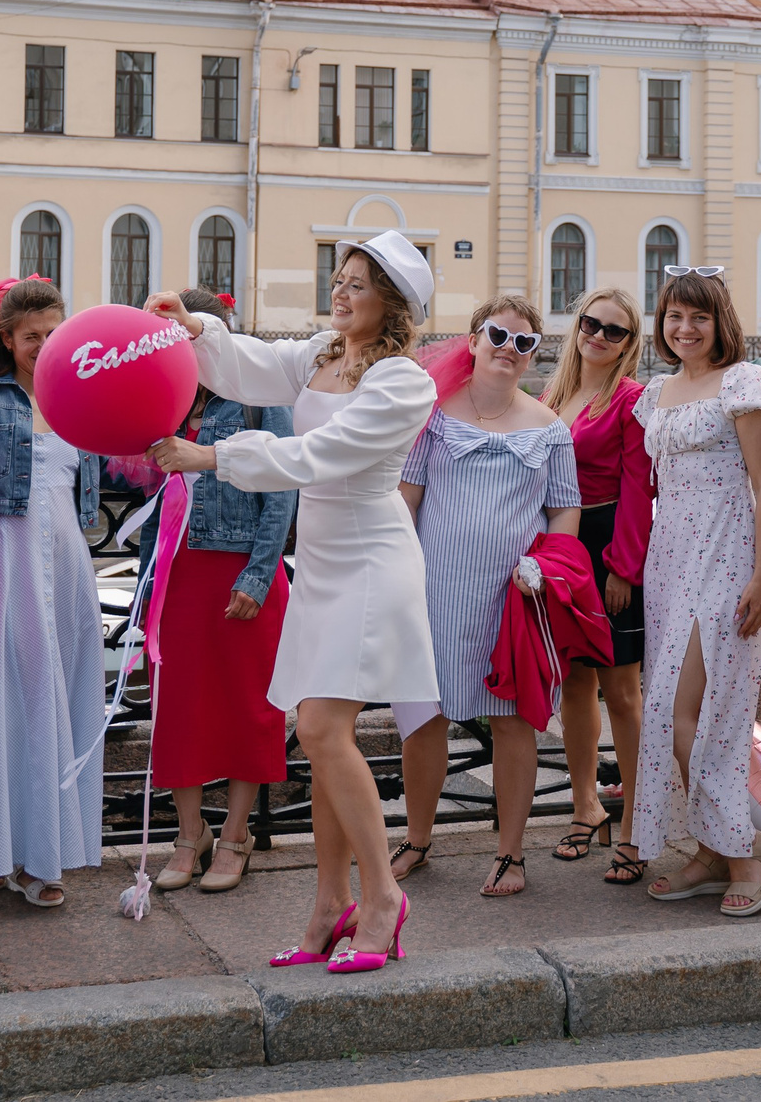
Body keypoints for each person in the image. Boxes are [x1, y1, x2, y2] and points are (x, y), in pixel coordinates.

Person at [145, 228, 440, 974]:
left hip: (371, 560)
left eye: (358, 285)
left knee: (320, 726)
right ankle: (327, 902)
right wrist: (194, 327)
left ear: (394, 304)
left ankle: (382, 900)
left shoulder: (404, 380)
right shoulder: (321, 353)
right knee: (316, 733)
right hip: (321, 560)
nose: (340, 292)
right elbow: (252, 364)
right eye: (338, 278)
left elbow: (321, 456)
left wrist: (212, 455)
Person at [387, 295, 582, 899]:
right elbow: (405, 501)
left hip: (512, 600)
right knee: (424, 720)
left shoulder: (551, 429)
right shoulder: (434, 415)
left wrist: (545, 565)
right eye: (499, 335)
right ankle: (417, 840)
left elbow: (565, 509)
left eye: (524, 343)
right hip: (434, 594)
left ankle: (510, 853)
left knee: (512, 723)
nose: (509, 349)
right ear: (472, 339)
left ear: (533, 357)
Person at [0, 277, 103, 906]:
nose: (43, 345)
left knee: (61, 680)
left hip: (67, 550)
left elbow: (112, 456)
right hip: (2, 546)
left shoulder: (78, 389)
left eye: (53, 332)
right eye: (31, 336)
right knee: (5, 686)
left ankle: (47, 855)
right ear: (5, 338)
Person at [631, 268, 761, 919]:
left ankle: (747, 849)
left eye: (698, 316)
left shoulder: (743, 382)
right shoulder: (658, 391)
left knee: (690, 710)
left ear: (721, 321)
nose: (685, 328)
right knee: (666, 711)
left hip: (724, 556)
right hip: (668, 559)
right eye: (673, 316)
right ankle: (710, 845)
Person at [150, 288, 296, 896]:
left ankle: (234, 836)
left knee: (246, 709)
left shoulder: (258, 395)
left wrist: (259, 576)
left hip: (242, 573)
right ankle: (190, 835)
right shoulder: (162, 395)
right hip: (179, 574)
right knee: (178, 709)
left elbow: (283, 487)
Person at [542, 286, 652, 885]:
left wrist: (623, 568)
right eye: (592, 324)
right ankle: (586, 807)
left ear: (631, 345)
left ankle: (635, 821)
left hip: (609, 541)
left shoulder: (631, 399)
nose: (599, 337)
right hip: (562, 544)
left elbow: (641, 488)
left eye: (615, 331)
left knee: (623, 691)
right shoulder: (554, 394)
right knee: (575, 684)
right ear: (577, 326)